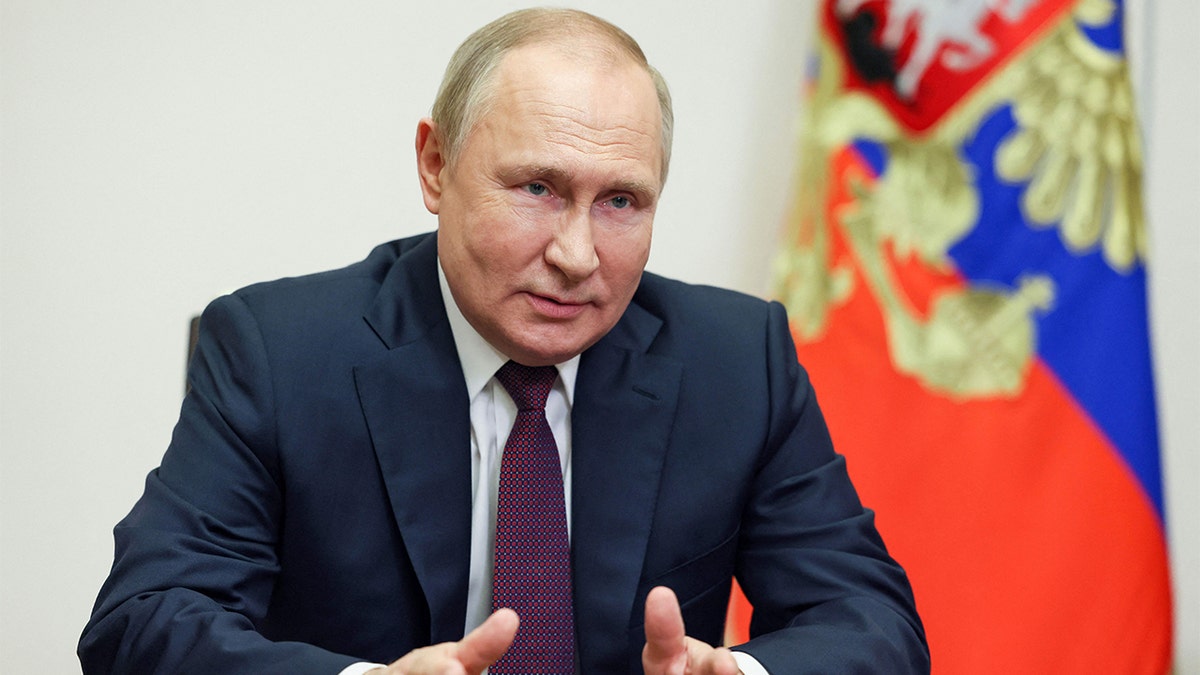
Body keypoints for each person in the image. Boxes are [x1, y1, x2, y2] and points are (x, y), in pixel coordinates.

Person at [79, 7, 928, 674]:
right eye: (537, 187)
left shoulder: (739, 362)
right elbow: (143, 620)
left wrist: (741, 672)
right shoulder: (276, 351)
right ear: (435, 167)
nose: (576, 254)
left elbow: (874, 624)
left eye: (621, 202)